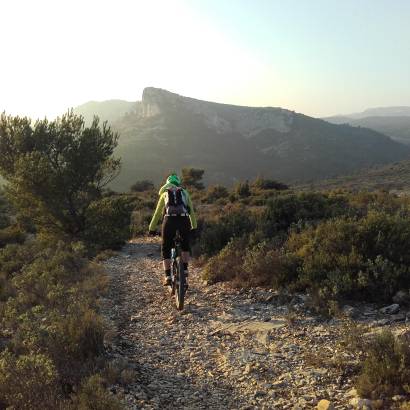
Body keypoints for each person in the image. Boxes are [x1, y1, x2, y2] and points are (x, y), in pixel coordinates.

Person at [148, 174, 197, 286]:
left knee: (165, 247)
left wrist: (151, 229)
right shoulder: (184, 192)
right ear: (178, 183)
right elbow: (191, 212)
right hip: (184, 220)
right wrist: (194, 226)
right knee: (185, 245)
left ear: (167, 184)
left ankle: (168, 276)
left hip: (169, 221)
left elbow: (156, 214)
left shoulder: (164, 193)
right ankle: (184, 270)